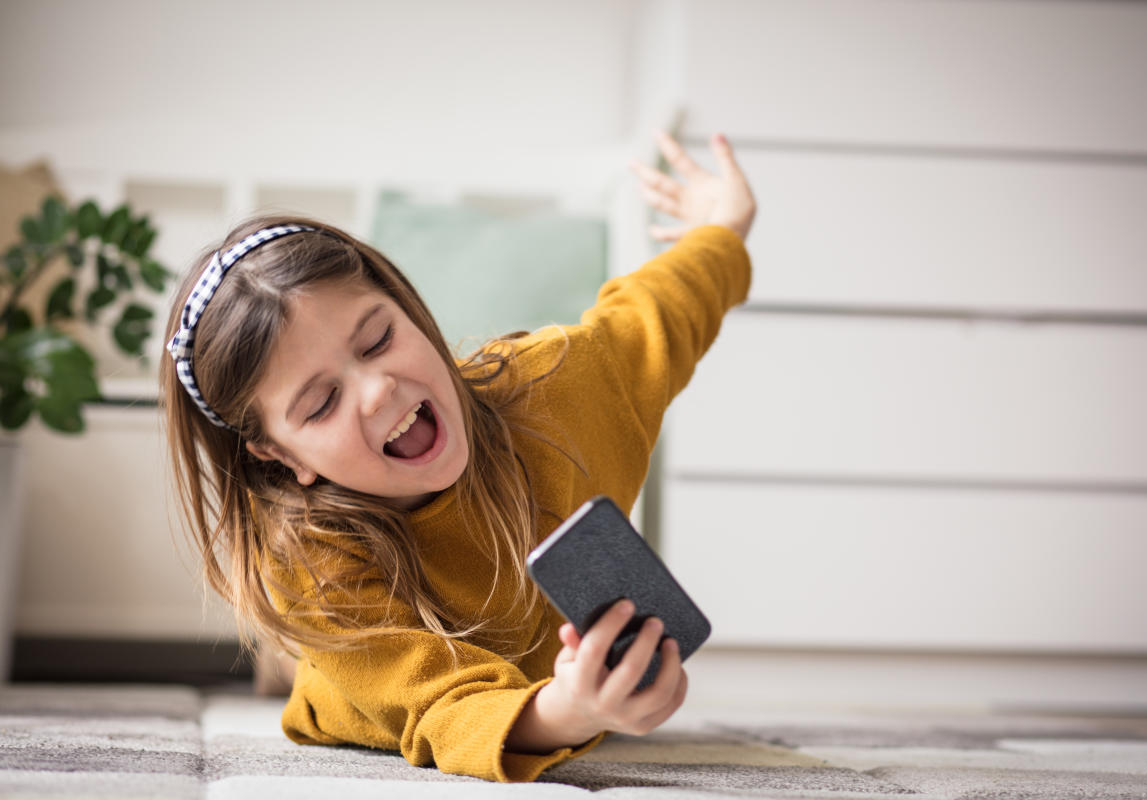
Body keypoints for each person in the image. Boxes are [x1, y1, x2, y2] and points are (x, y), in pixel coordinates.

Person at [160, 130, 756, 783]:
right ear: (278, 454)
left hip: (527, 662)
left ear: (408, 309)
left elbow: (661, 310)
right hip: (374, 687)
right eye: (322, 404)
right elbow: (445, 706)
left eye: (379, 338)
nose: (378, 389)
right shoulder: (310, 565)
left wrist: (722, 226)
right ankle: (290, 664)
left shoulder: (560, 385)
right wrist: (568, 712)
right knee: (337, 667)